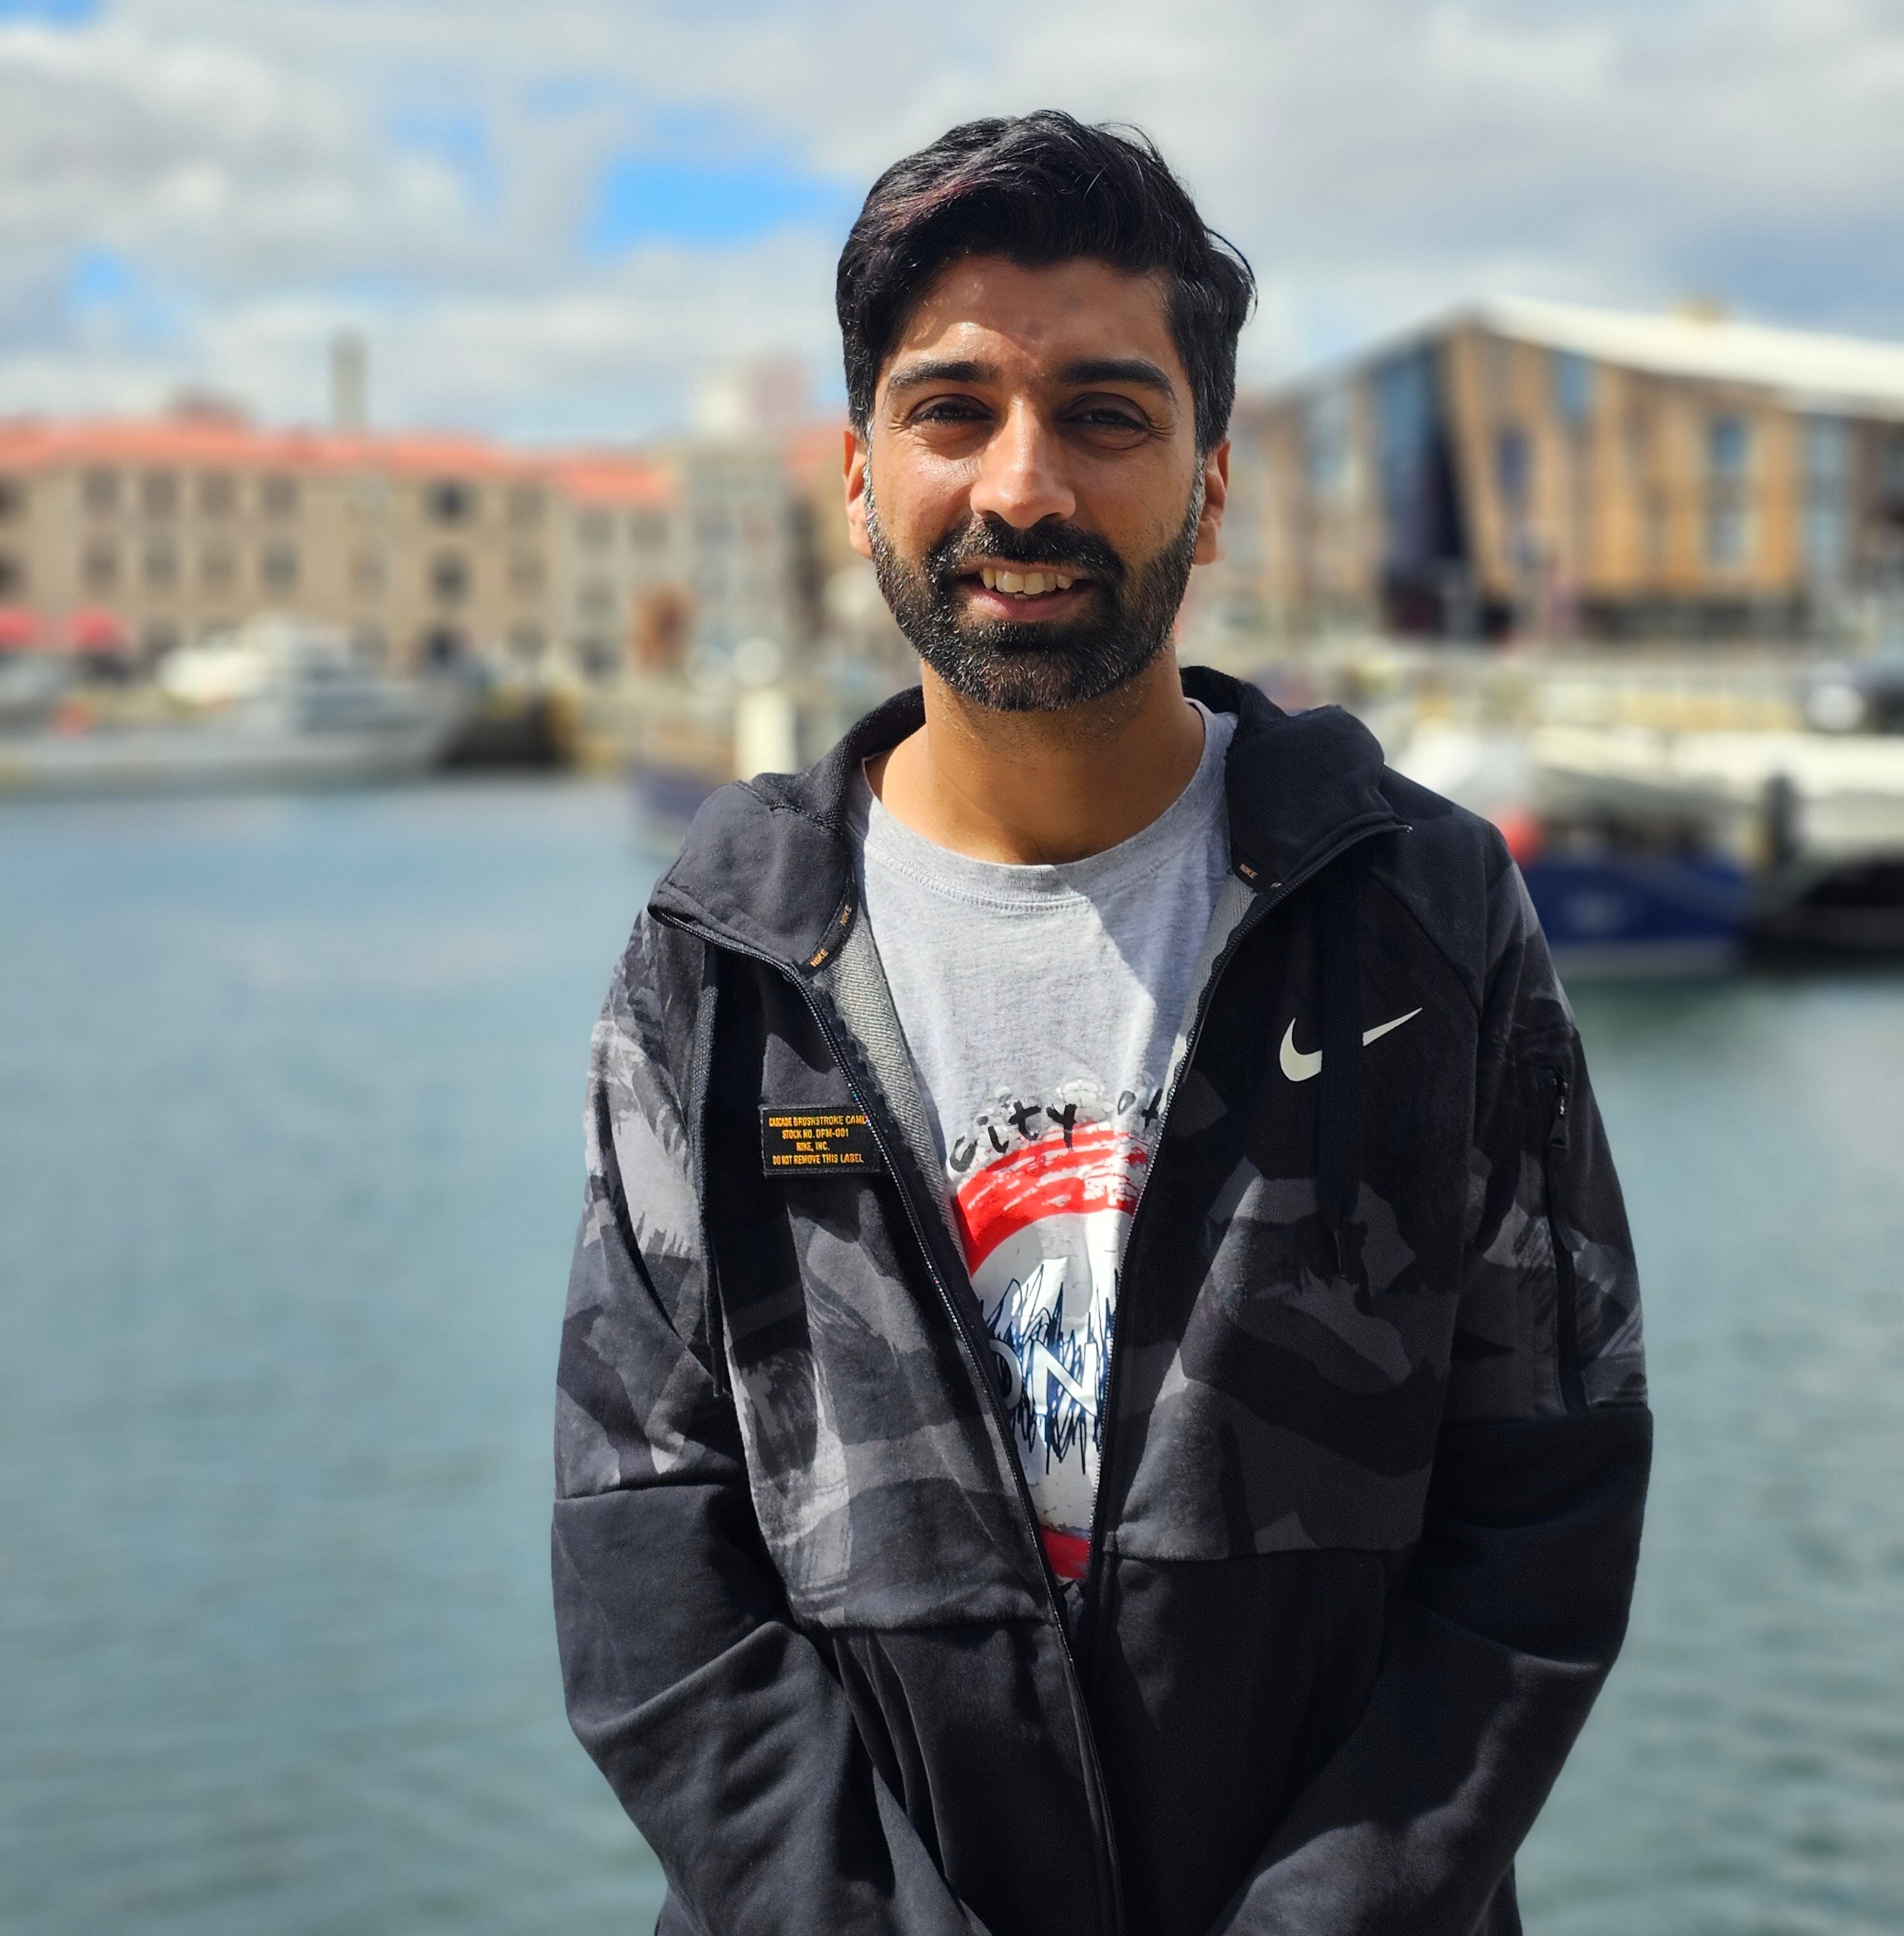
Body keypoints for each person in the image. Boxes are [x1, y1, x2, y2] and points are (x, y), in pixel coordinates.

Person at [553, 113, 1649, 1936]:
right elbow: (645, 1556)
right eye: (953, 409)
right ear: (858, 478)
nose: (1025, 486)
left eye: (1107, 415)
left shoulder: (1424, 915)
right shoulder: (724, 957)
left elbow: (1550, 1498)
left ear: (1211, 488)